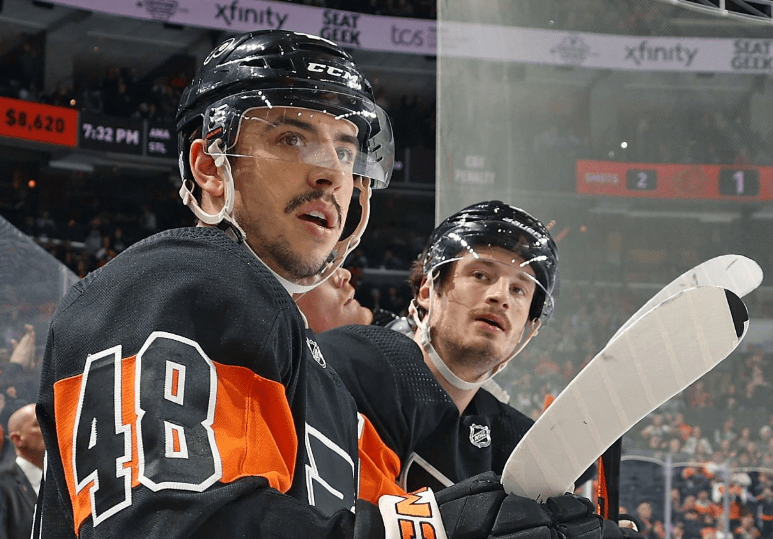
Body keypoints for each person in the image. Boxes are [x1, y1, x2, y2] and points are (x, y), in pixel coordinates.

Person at [31, 31, 604, 539]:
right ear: (209, 167)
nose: (332, 171)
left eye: (345, 149)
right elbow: (173, 526)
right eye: (292, 138)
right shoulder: (178, 280)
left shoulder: (324, 383)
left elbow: (380, 522)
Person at [317, 201, 597, 492]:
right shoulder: (358, 363)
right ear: (427, 291)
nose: (501, 296)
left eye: (518, 290)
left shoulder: (512, 444)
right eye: (480, 275)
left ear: (528, 326)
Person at [0, 403, 45, 539]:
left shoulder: (62, 481)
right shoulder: (2, 486)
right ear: (17, 439)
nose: (49, 428)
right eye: (38, 424)